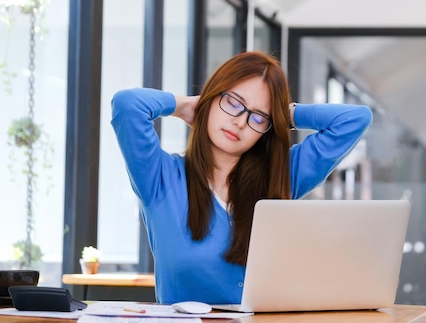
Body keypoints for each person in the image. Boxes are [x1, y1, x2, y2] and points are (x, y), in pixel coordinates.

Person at [111, 51, 373, 305]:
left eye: (258, 117)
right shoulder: (159, 178)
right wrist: (184, 105)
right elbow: (127, 105)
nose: (239, 121)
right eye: (233, 103)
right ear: (211, 97)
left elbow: (354, 119)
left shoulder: (281, 177)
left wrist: (284, 115)